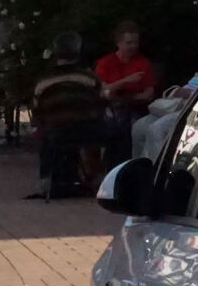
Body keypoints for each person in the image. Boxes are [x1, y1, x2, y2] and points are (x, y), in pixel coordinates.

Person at [30, 32, 106, 198]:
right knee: (116, 134)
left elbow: (37, 111)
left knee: (44, 137)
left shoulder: (43, 82)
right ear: (78, 52)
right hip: (88, 132)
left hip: (56, 133)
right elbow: (101, 103)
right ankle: (99, 177)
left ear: (56, 53)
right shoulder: (89, 78)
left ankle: (46, 181)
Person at [94, 21, 157, 161]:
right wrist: (126, 81)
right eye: (129, 43)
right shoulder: (105, 63)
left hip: (135, 107)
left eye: (135, 43)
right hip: (110, 109)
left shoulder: (142, 63)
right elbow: (102, 91)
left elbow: (149, 93)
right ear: (118, 43)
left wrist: (126, 97)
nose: (133, 46)